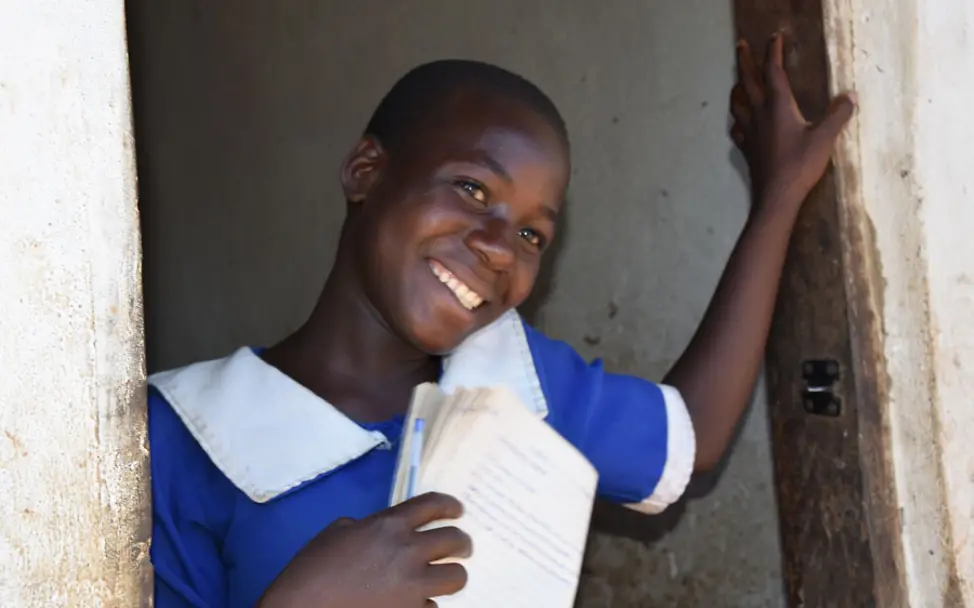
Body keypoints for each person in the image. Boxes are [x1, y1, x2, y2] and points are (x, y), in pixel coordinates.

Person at [148, 33, 856, 607]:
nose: (496, 246)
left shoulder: (512, 383)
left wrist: (781, 194)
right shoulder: (187, 433)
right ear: (366, 171)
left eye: (531, 236)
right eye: (471, 187)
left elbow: (690, 437)